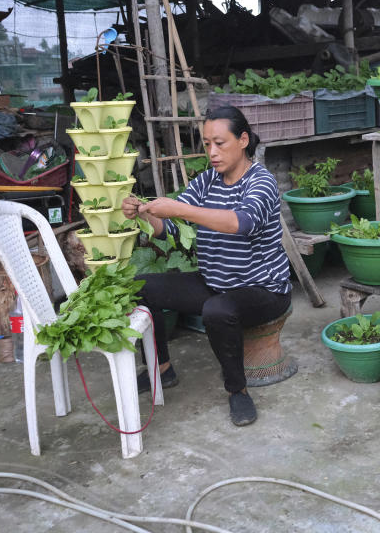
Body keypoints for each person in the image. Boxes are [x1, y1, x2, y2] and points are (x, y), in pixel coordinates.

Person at [121, 105, 291, 426]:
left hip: (263, 290)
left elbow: (240, 222)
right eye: (206, 144)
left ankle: (237, 391)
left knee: (218, 309)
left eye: (220, 143)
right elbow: (170, 229)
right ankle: (161, 370)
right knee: (140, 287)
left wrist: (180, 209)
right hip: (215, 283)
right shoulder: (207, 181)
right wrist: (144, 213)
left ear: (243, 141)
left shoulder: (261, 181)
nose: (212, 152)